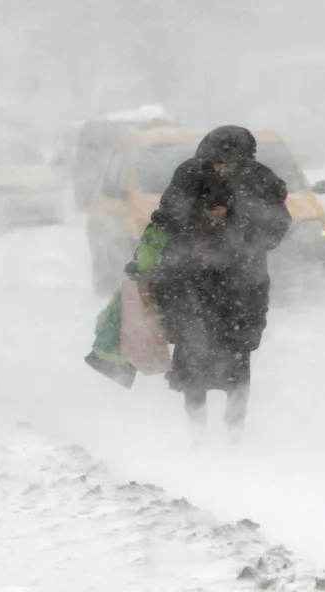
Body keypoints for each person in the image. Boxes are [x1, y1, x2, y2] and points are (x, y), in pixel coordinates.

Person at [128, 126, 292, 438]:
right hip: (190, 286)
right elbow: (165, 219)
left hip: (241, 289)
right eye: (216, 163)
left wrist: (232, 221)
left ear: (245, 159)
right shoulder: (188, 175)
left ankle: (235, 434)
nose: (222, 169)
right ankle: (196, 433)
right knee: (193, 361)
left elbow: (276, 228)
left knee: (237, 361)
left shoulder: (261, 181)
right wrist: (148, 257)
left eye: (229, 164)